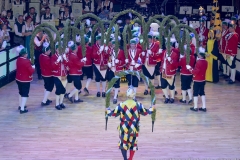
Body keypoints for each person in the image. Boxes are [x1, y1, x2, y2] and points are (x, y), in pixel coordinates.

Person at [106, 87, 154, 160]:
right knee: (133, 143)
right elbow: (146, 112)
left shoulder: (121, 105)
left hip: (124, 127)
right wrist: (152, 108)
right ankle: (130, 158)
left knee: (123, 143)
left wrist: (107, 109)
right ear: (134, 95)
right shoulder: (138, 105)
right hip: (134, 127)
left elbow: (113, 114)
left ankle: (125, 159)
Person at [186, 47, 208, 112]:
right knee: (202, 93)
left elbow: (195, 72)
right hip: (203, 79)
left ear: (200, 55)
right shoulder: (206, 62)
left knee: (195, 93)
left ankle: (195, 107)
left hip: (197, 80)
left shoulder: (198, 62)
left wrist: (190, 68)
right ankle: (204, 107)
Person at [15, 45, 35, 114]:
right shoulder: (26, 61)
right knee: (25, 94)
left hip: (18, 79)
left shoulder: (18, 59)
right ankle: (22, 109)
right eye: (26, 53)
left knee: (20, 92)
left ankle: (20, 105)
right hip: (25, 80)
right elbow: (31, 71)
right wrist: (33, 66)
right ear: (24, 54)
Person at [106, 39, 126, 104]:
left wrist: (119, 62)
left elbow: (123, 61)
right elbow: (108, 58)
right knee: (111, 81)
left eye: (115, 45)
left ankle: (115, 97)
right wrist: (108, 63)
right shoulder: (110, 51)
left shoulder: (121, 52)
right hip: (111, 69)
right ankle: (112, 93)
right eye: (113, 45)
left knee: (117, 83)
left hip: (118, 69)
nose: (114, 46)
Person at [160, 38, 178, 104]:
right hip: (163, 71)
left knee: (171, 85)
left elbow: (176, 65)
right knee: (163, 85)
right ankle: (167, 97)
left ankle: (172, 97)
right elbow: (160, 60)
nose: (167, 48)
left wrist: (170, 60)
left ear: (171, 47)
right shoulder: (164, 52)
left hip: (171, 72)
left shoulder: (175, 54)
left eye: (169, 47)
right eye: (167, 47)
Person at [51, 42, 68, 110]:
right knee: (58, 89)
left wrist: (65, 59)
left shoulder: (64, 55)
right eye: (59, 49)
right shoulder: (53, 57)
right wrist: (58, 60)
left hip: (64, 75)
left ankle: (61, 102)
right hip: (57, 75)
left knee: (63, 89)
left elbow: (68, 64)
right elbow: (53, 66)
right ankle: (57, 104)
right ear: (56, 49)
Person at [39, 42, 54, 106]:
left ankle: (46, 98)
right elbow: (51, 66)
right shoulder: (47, 58)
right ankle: (44, 101)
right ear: (46, 51)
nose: (50, 51)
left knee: (46, 86)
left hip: (44, 74)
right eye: (49, 50)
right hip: (48, 74)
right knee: (50, 87)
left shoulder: (41, 55)